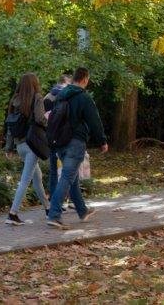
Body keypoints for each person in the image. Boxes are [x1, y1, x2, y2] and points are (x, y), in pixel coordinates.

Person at [44, 66, 107, 227]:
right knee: (67, 177)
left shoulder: (60, 96)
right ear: (85, 79)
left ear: (73, 79)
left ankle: (82, 210)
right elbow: (94, 120)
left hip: (59, 142)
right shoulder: (83, 97)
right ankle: (54, 215)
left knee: (72, 178)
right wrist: (102, 141)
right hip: (75, 142)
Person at [5, 72, 49, 224]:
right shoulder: (37, 97)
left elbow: (10, 126)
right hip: (32, 144)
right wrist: (48, 118)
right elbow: (40, 119)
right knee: (25, 180)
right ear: (34, 84)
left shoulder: (14, 100)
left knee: (37, 178)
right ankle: (13, 213)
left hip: (20, 146)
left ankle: (48, 208)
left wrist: (8, 148)